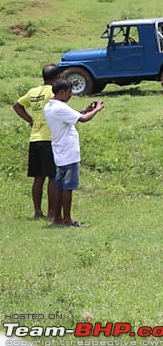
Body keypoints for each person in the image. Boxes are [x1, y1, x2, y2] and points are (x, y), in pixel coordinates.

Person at [44, 79, 105, 227]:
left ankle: (57, 218)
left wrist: (85, 109)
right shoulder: (60, 108)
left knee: (59, 187)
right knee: (68, 188)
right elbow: (82, 120)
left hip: (59, 151)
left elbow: (74, 116)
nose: (71, 95)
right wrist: (97, 109)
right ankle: (67, 219)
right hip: (69, 152)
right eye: (69, 92)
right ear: (62, 92)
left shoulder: (49, 107)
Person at [13, 64, 61, 220]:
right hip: (49, 138)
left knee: (38, 177)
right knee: (53, 176)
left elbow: (17, 106)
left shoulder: (33, 92)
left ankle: (38, 212)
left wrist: (31, 120)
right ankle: (52, 213)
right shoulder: (54, 92)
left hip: (35, 138)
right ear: (58, 77)